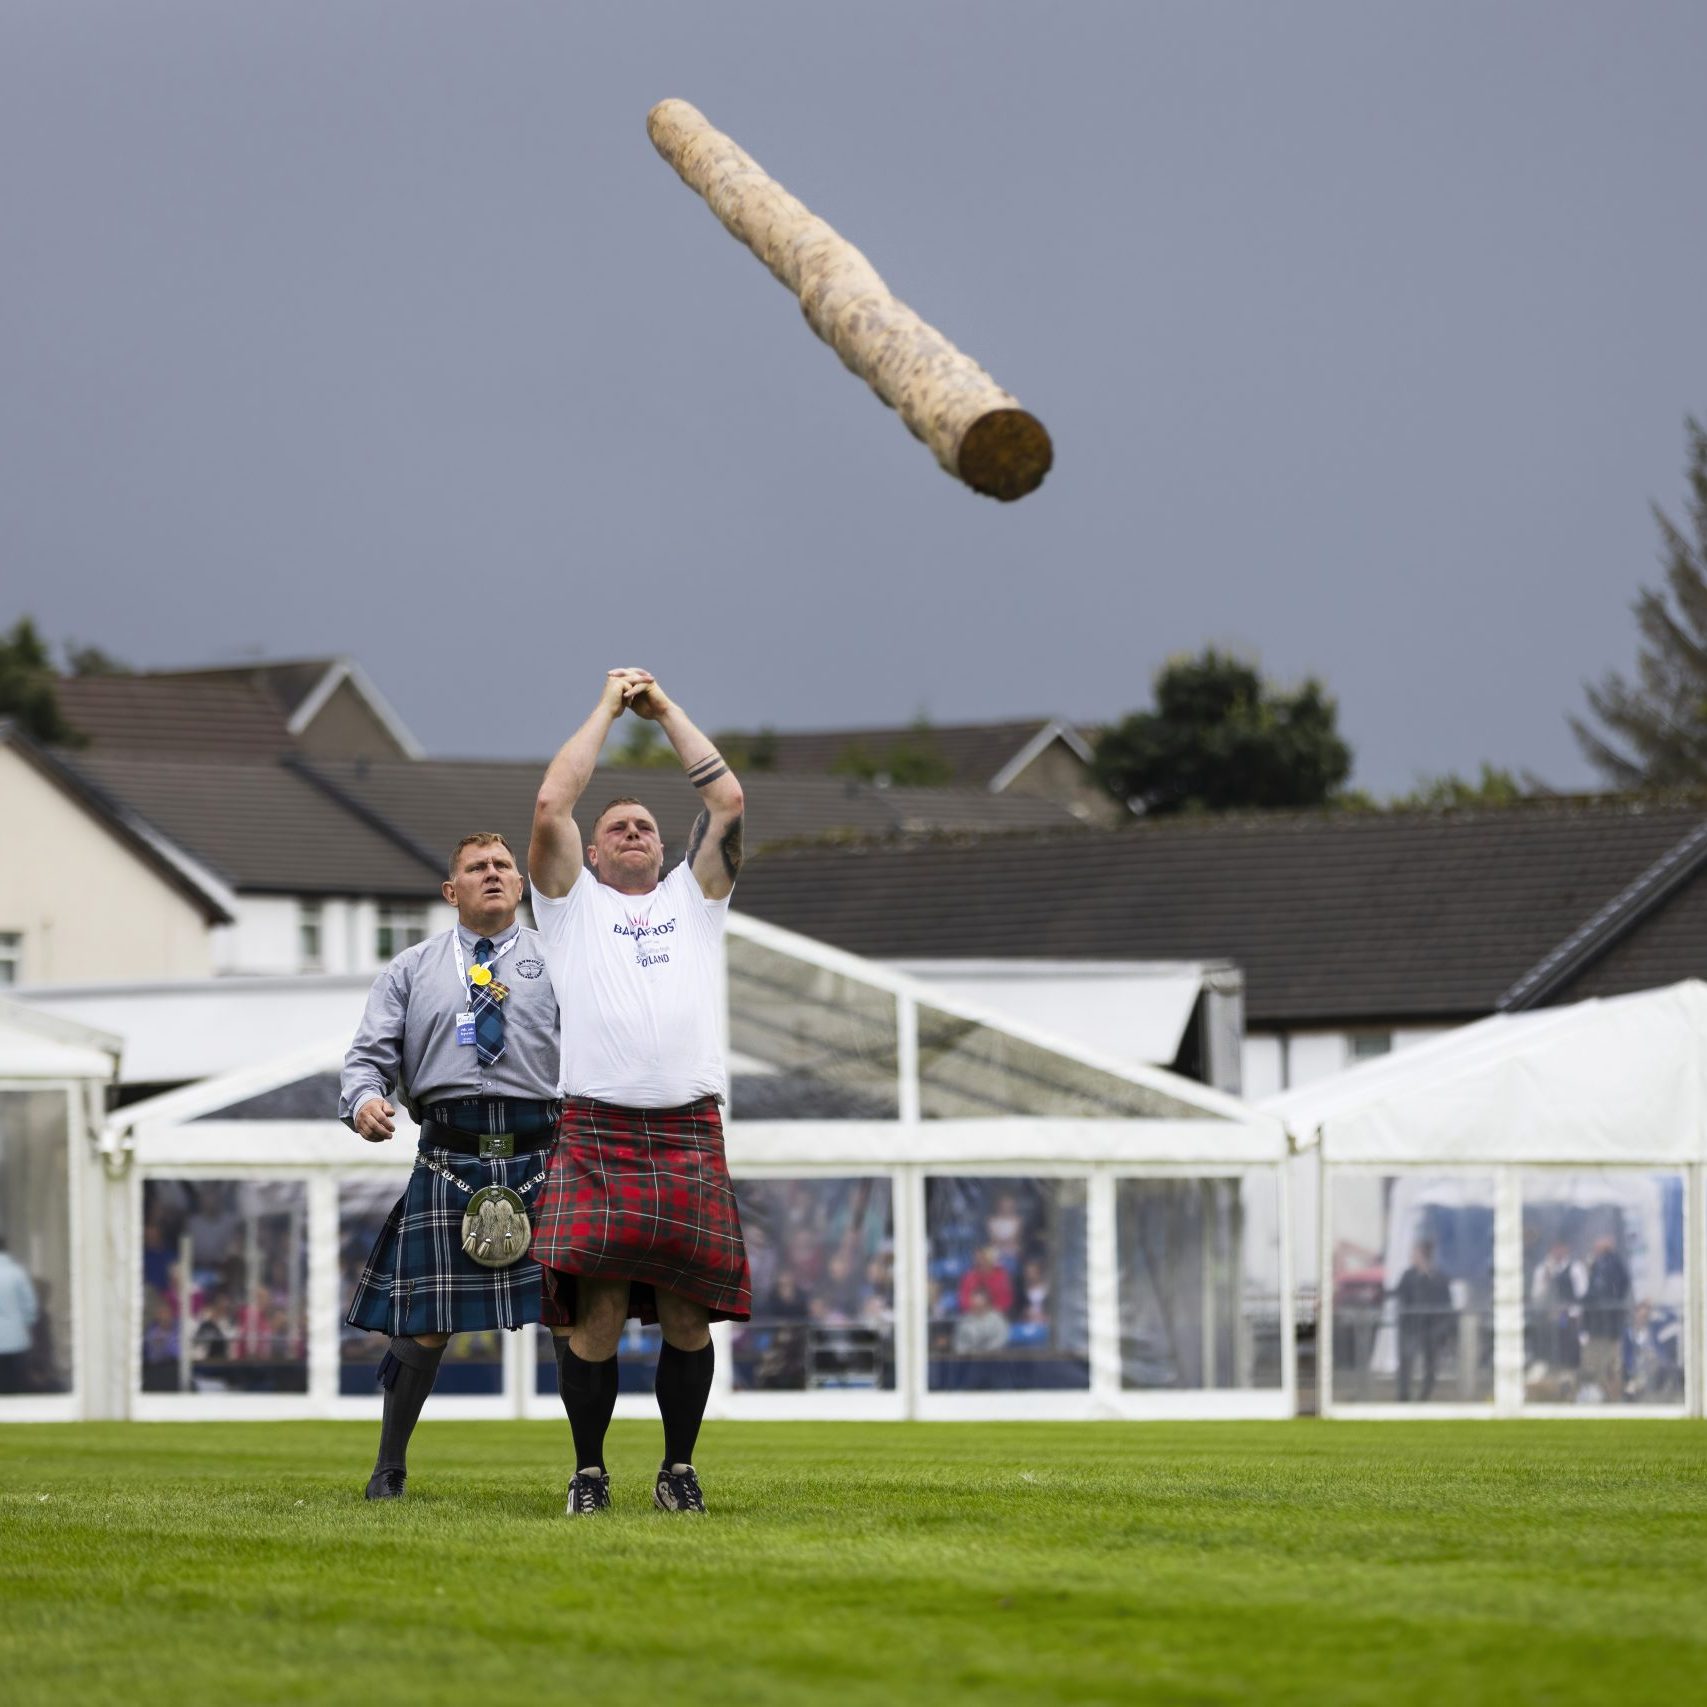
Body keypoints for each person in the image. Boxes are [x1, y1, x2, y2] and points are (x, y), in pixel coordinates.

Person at [528, 667, 749, 1516]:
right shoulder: (569, 907)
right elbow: (551, 804)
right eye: (616, 824)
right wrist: (604, 710)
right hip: (596, 1123)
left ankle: (679, 1468)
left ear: (663, 849)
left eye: (646, 826)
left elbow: (726, 800)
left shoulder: (695, 902)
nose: (631, 831)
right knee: (600, 1313)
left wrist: (662, 712)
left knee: (689, 1316)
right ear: (592, 850)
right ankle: (589, 1470)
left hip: (688, 1127)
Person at [340, 831, 561, 1500]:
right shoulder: (409, 968)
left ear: (520, 885)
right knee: (425, 1321)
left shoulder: (561, 960)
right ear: (451, 889)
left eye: (502, 866)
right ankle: (388, 1466)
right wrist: (364, 1100)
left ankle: (590, 1471)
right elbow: (367, 1057)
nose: (492, 874)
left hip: (545, 1150)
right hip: (449, 1151)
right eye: (476, 867)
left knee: (577, 1310)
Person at [1394, 1240, 1452, 1402]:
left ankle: (1424, 1397)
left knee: (1431, 1365)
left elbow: (1446, 1304)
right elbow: (1401, 1297)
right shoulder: (1408, 1276)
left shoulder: (1440, 1278)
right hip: (1411, 1328)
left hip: (1432, 1329)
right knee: (1406, 1362)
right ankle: (1403, 1397)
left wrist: (1442, 1329)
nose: (1412, 1257)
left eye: (1415, 1253)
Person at [1579, 1234, 1631, 1403]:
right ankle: (1603, 1395)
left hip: (1606, 1327)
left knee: (1608, 1365)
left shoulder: (1610, 1265)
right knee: (1600, 1365)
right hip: (1600, 1327)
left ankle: (1611, 1396)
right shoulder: (1600, 1266)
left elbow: (1609, 1289)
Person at [0, 1233, 41, 1393]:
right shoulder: (17, 1273)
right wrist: (24, 1325)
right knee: (16, 1389)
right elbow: (30, 1307)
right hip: (17, 1340)